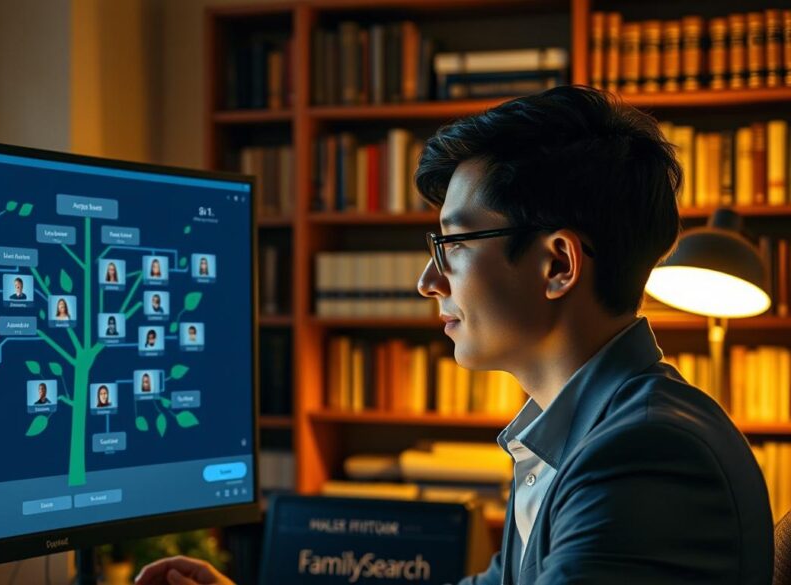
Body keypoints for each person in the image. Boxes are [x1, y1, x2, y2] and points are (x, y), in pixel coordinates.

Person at [135, 86, 774, 585]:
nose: (426, 280)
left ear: (557, 264)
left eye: (453, 245)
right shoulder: (580, 430)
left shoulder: (642, 454)